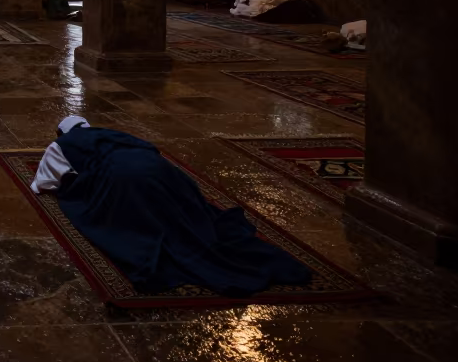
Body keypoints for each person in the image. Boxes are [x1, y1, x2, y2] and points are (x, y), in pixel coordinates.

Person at [33, 116, 312, 297]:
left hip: (125, 177)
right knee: (182, 212)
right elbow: (150, 149)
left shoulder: (61, 144)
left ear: (60, 131)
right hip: (164, 173)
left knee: (123, 216)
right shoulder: (114, 134)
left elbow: (43, 183)